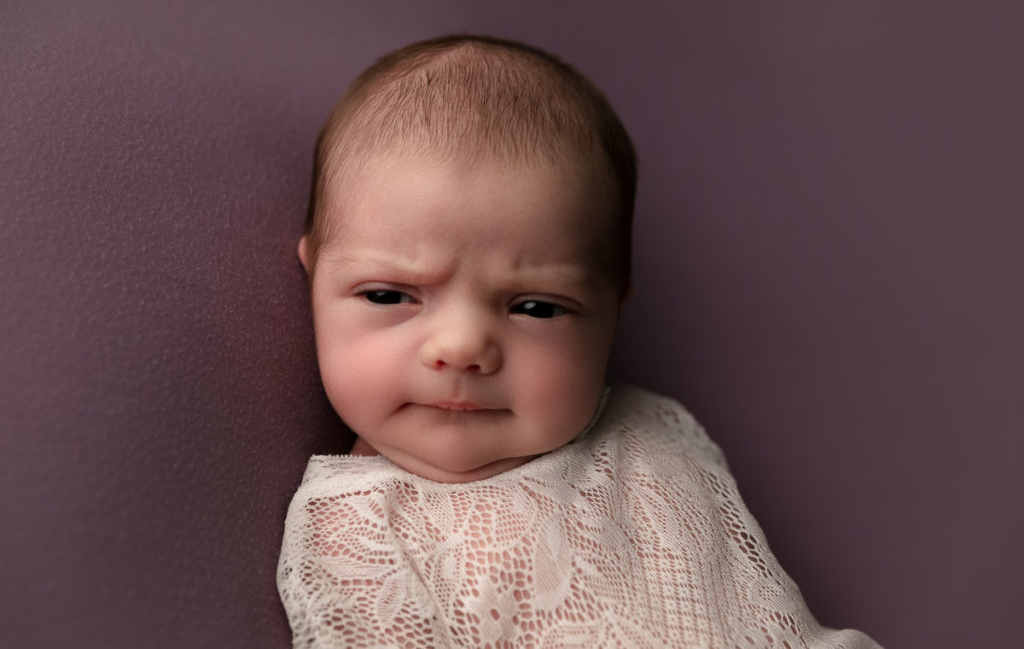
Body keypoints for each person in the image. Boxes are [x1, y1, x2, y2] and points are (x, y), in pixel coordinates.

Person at [277, 34, 880, 648]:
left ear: (611, 311)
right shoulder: (354, 530)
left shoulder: (652, 428)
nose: (461, 348)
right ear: (315, 276)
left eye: (536, 307)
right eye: (389, 295)